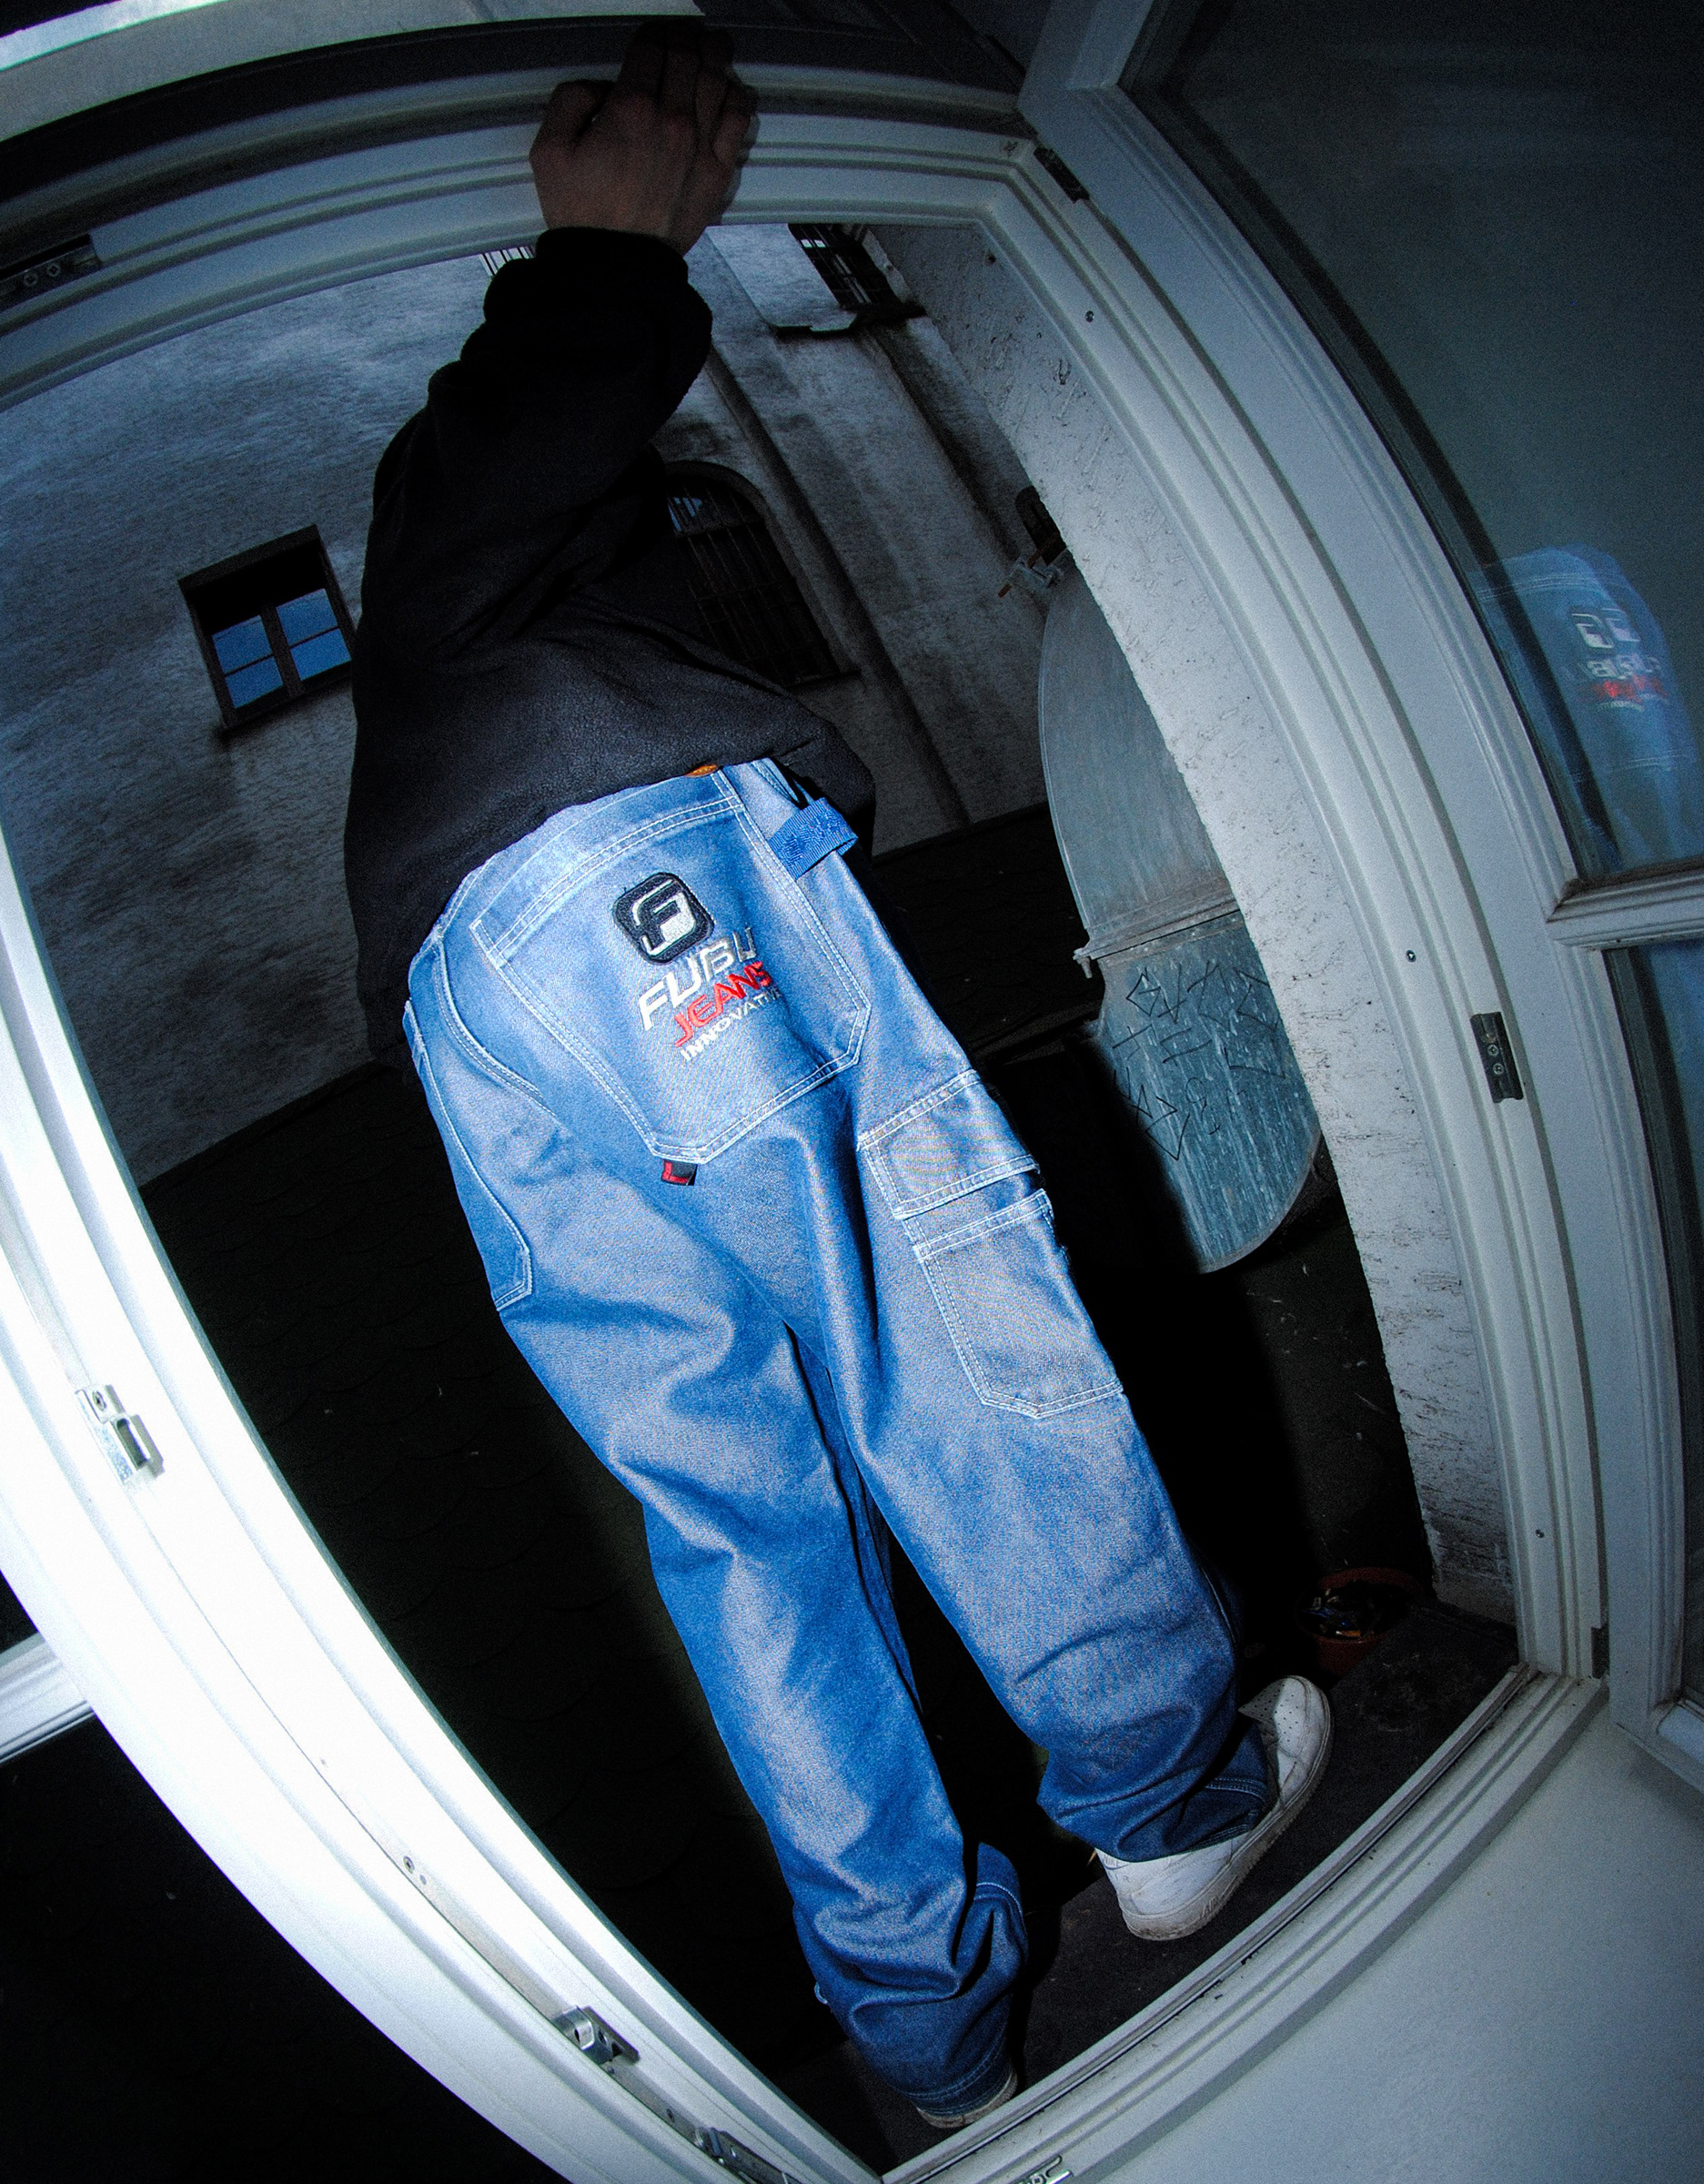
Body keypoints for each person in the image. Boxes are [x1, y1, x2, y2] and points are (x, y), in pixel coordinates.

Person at [345, 21, 1333, 2130]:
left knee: (741, 1527)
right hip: (624, 875)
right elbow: (452, 517)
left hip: (462, 1011)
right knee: (951, 1343)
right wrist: (603, 261)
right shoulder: (488, 554)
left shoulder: (440, 736)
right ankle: (1172, 1803)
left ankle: (926, 2031)